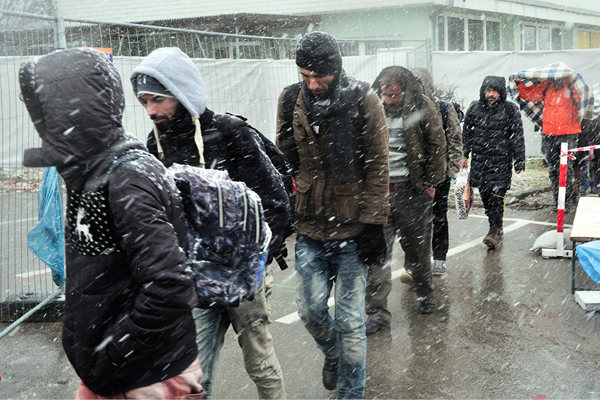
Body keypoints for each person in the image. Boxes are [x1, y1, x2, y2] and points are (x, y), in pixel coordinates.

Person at [19, 48, 203, 399]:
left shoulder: (127, 177)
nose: (44, 127)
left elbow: (170, 285)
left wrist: (115, 355)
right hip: (115, 374)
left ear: (76, 111)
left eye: (49, 115)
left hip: (147, 377)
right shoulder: (89, 171)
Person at [130, 47, 288, 399]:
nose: (151, 110)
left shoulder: (232, 134)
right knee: (193, 379)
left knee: (261, 365)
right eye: (144, 101)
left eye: (158, 99)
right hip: (194, 283)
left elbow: (276, 201)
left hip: (245, 278)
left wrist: (257, 263)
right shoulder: (153, 148)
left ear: (182, 93)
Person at [276, 32, 389, 399]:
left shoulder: (364, 99)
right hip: (309, 227)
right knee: (310, 312)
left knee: (351, 321)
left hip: (353, 231)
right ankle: (334, 355)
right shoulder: (292, 99)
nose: (312, 84)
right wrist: (295, 194)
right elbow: (285, 155)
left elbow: (378, 167)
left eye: (319, 76)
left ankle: (350, 393)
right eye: (305, 75)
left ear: (336, 69)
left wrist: (373, 224)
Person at [366, 65, 447, 335]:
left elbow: (437, 143)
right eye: (385, 95)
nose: (389, 101)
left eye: (394, 96)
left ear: (406, 91)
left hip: (412, 193)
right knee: (377, 257)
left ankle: (425, 294)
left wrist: (431, 182)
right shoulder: (369, 106)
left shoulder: (420, 106)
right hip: (379, 194)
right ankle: (376, 314)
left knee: (418, 251)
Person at [462, 76, 526, 249]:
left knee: (497, 196)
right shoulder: (474, 108)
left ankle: (494, 230)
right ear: (483, 91)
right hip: (480, 162)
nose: (491, 94)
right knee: (486, 196)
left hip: (501, 162)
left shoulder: (510, 110)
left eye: (494, 91)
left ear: (501, 92)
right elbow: (466, 133)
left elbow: (517, 137)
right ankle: (495, 224)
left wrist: (519, 160)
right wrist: (464, 155)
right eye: (488, 91)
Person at [411, 67, 463, 276]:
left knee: (438, 217)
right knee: (416, 220)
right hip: (415, 177)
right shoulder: (406, 111)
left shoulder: (443, 108)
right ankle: (417, 262)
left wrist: (451, 169)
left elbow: (455, 140)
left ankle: (439, 258)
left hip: (439, 175)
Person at [516, 78, 580, 210]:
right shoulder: (547, 85)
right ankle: (559, 201)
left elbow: (581, 100)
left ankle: (566, 201)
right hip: (549, 134)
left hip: (568, 134)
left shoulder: (572, 85)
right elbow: (529, 95)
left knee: (565, 169)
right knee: (553, 169)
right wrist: (518, 83)